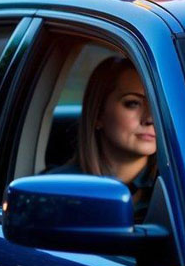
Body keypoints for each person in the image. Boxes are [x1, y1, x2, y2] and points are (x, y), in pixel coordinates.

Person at [50, 56, 157, 216]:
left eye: (156, 104)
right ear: (98, 114)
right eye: (133, 103)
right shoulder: (56, 190)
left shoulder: (181, 190)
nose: (150, 119)